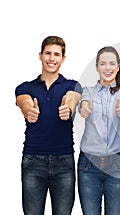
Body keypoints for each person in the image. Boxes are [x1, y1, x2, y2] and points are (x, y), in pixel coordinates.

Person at [15, 36, 82, 215]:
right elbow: (23, 102)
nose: (52, 58)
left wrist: (68, 107)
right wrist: (29, 110)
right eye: (48, 53)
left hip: (64, 163)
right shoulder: (26, 87)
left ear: (63, 58)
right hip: (33, 162)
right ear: (40, 55)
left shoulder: (72, 85)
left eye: (56, 54)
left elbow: (72, 97)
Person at [77, 46, 120, 215]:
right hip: (88, 164)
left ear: (118, 67)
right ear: (97, 67)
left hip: (116, 163)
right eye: (103, 64)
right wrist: (84, 107)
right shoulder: (88, 91)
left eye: (112, 64)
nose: (108, 68)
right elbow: (83, 102)